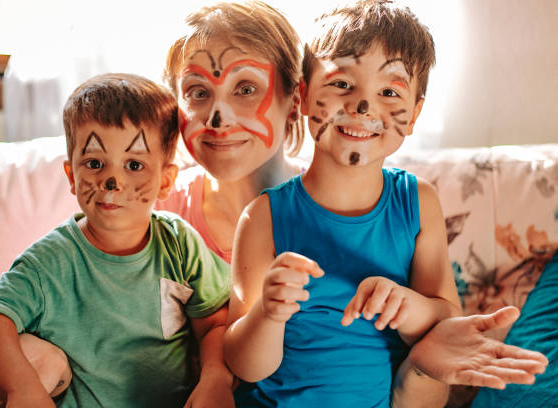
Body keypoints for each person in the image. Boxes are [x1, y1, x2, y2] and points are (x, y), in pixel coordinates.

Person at [0, 2, 548, 407]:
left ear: (295, 99)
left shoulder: (387, 199)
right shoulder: (151, 209)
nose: (217, 115)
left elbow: (439, 327)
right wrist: (23, 374)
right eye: (197, 93)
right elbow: (80, 304)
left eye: (245, 89)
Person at [223, 1, 547, 407]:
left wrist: (407, 307)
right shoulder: (263, 216)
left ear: (413, 114)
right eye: (342, 84)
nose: (364, 107)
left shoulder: (417, 202)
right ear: (303, 96)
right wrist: (267, 314)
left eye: (389, 91)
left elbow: (447, 322)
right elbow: (243, 365)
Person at [0, 73, 233, 407]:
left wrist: (215, 376)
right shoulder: (52, 260)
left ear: (165, 180)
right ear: (72, 176)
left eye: (134, 164)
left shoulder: (179, 243)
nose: (112, 181)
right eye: (95, 163)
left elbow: (214, 322)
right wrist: (21, 386)